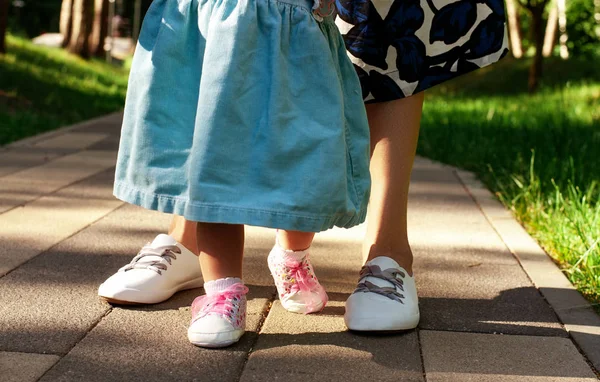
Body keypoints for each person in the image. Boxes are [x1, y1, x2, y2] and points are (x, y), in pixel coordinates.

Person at [100, 0, 508, 333]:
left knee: (307, 154)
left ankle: (362, 255)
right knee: (211, 145)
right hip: (214, 20)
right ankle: (213, 278)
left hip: (301, 31)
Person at [101, 0, 371, 348]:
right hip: (209, 33)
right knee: (215, 170)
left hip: (293, 40)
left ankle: (291, 256)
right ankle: (221, 293)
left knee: (305, 166)